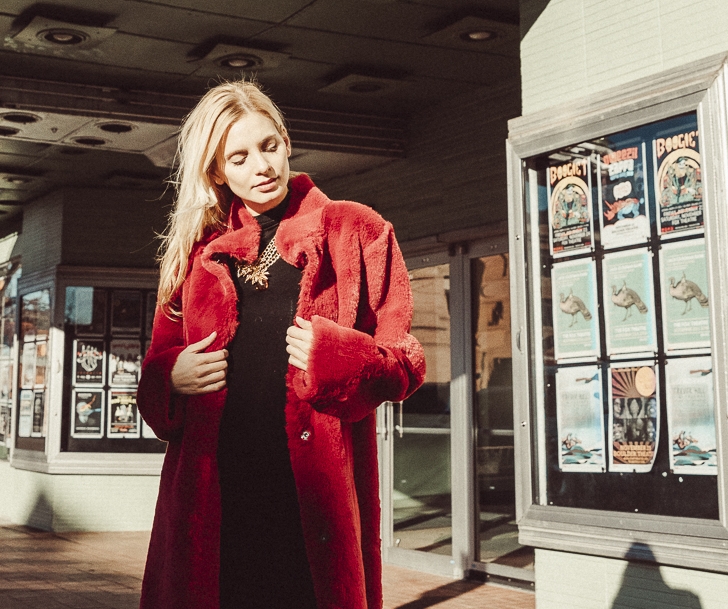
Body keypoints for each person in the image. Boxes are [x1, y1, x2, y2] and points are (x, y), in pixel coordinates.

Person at [137, 80, 425, 609]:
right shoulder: (196, 254)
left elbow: (404, 362)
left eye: (269, 146)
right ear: (218, 171)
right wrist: (168, 377)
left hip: (309, 508)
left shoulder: (356, 230)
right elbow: (156, 377)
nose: (262, 166)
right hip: (212, 503)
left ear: (286, 141)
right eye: (239, 157)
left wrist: (339, 357)